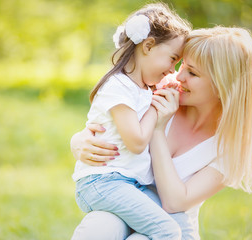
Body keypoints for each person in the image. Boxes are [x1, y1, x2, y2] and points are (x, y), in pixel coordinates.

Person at [70, 26, 252, 240]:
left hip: (173, 228)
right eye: (181, 65)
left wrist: (158, 130)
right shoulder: (158, 91)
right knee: (100, 226)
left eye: (193, 73)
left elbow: (174, 202)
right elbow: (108, 122)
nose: (178, 76)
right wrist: (78, 141)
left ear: (223, 87)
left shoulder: (234, 141)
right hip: (124, 207)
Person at [72, 3, 192, 240]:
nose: (172, 70)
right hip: (103, 182)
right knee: (167, 231)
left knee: (176, 222)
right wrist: (155, 110)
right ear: (148, 46)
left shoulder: (142, 88)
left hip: (127, 184)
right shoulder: (118, 86)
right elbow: (136, 142)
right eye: (172, 59)